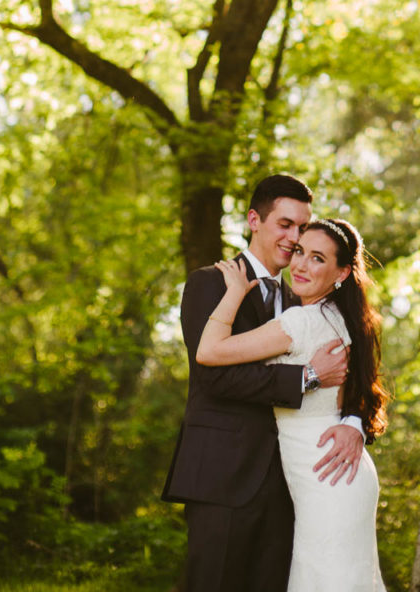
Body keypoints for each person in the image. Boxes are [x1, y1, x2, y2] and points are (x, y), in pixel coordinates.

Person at [161, 174, 365, 592]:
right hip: (224, 473)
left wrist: (354, 422)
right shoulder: (210, 282)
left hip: (291, 481)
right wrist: (306, 377)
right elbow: (214, 375)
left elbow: (355, 371)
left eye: (302, 227)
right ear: (255, 219)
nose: (294, 238)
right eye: (285, 224)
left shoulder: (304, 299)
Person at [197, 216, 388, 592]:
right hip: (334, 476)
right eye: (300, 252)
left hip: (327, 478)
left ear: (342, 272)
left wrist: (235, 290)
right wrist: (352, 422)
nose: (300, 264)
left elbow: (208, 351)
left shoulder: (302, 321)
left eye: (318, 258)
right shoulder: (345, 317)